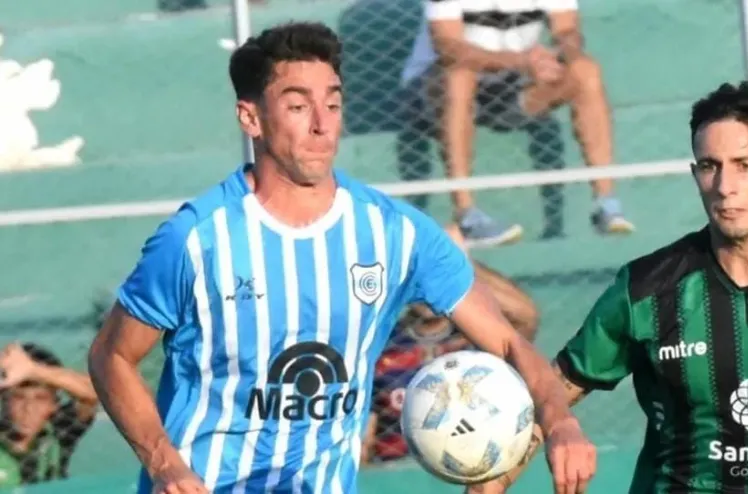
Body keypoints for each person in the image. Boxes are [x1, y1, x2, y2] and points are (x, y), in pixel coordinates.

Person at [86, 21, 595, 494]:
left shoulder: (395, 232)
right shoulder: (196, 238)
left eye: (332, 103)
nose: (321, 124)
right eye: (297, 105)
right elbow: (112, 356)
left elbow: (506, 341)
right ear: (251, 117)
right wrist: (164, 462)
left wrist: (561, 423)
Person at [472, 81, 748, 494]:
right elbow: (553, 392)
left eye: (746, 165)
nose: (725, 186)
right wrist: (488, 485)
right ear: (696, 175)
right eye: (711, 166)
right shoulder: (648, 289)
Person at [401, 0, 635, 247]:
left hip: (510, 90)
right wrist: (519, 61)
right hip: (433, 95)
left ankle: (606, 204)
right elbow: (449, 47)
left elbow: (567, 31)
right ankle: (467, 216)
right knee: (459, 75)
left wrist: (558, 55)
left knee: (585, 70)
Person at [361, 224, 540, 464]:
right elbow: (365, 439)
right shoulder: (382, 344)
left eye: (434, 276)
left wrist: (458, 262)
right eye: (418, 277)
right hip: (398, 468)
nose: (426, 286)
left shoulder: (474, 339)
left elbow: (525, 317)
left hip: (473, 460)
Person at [0, 342, 98, 487]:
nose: (29, 409)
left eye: (40, 399)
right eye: (19, 398)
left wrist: (33, 370)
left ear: (54, 405)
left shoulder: (58, 431)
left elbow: (94, 393)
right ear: (4, 400)